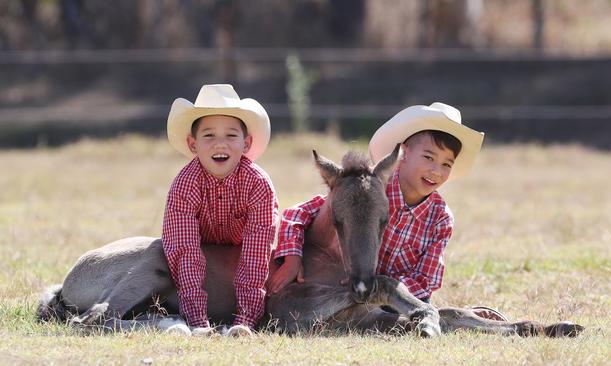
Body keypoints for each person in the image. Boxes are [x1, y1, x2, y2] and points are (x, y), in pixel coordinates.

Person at [269, 102, 489, 312]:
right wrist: (292, 257)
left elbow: (426, 279)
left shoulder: (440, 218)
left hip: (398, 295)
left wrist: (387, 293)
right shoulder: (373, 191)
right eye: (429, 157)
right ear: (404, 153)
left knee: (414, 311)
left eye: (446, 164)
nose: (436, 171)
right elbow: (300, 212)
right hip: (358, 283)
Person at [162, 84, 278, 332]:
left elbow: (256, 256)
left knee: (261, 261)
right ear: (193, 145)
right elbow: (185, 250)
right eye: (209, 136)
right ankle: (187, 316)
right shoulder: (184, 185)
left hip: (240, 249)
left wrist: (245, 320)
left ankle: (245, 318)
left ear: (246, 144)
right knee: (179, 255)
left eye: (231, 136)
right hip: (200, 247)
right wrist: (197, 321)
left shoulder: (258, 184)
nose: (220, 144)